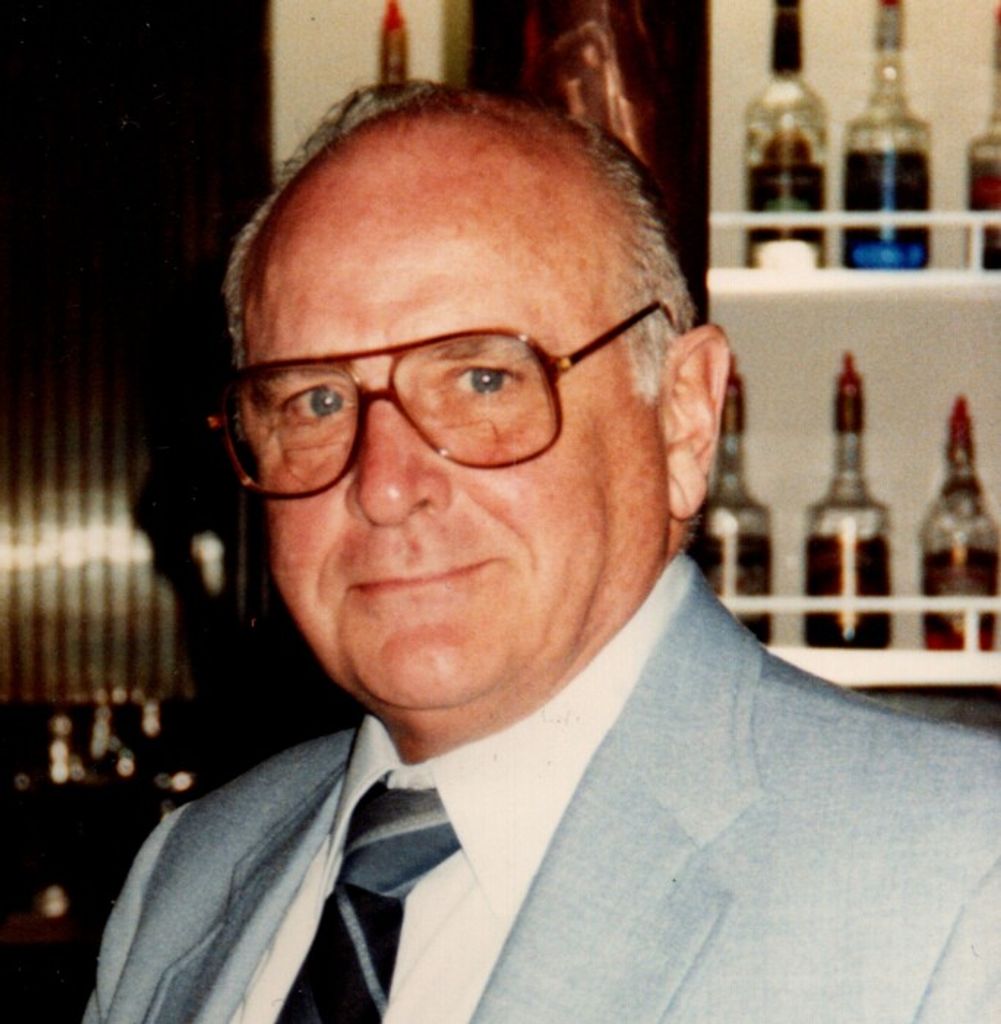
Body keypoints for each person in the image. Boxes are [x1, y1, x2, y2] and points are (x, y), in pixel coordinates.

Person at [83, 82, 999, 1024]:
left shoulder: (964, 874)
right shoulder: (187, 878)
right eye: (315, 401)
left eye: (483, 380)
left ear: (684, 420)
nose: (385, 485)